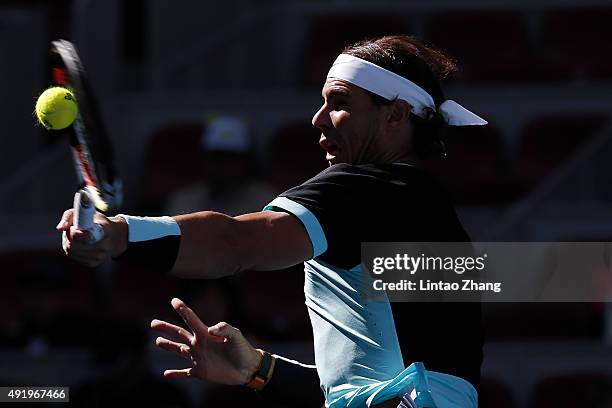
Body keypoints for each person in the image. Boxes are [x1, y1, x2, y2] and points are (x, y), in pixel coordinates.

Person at [57, 35, 487, 407]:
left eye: (339, 103)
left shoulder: (363, 187)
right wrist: (260, 369)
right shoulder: (433, 214)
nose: (318, 120)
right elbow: (376, 387)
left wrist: (119, 234)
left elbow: (233, 242)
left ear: (394, 114)